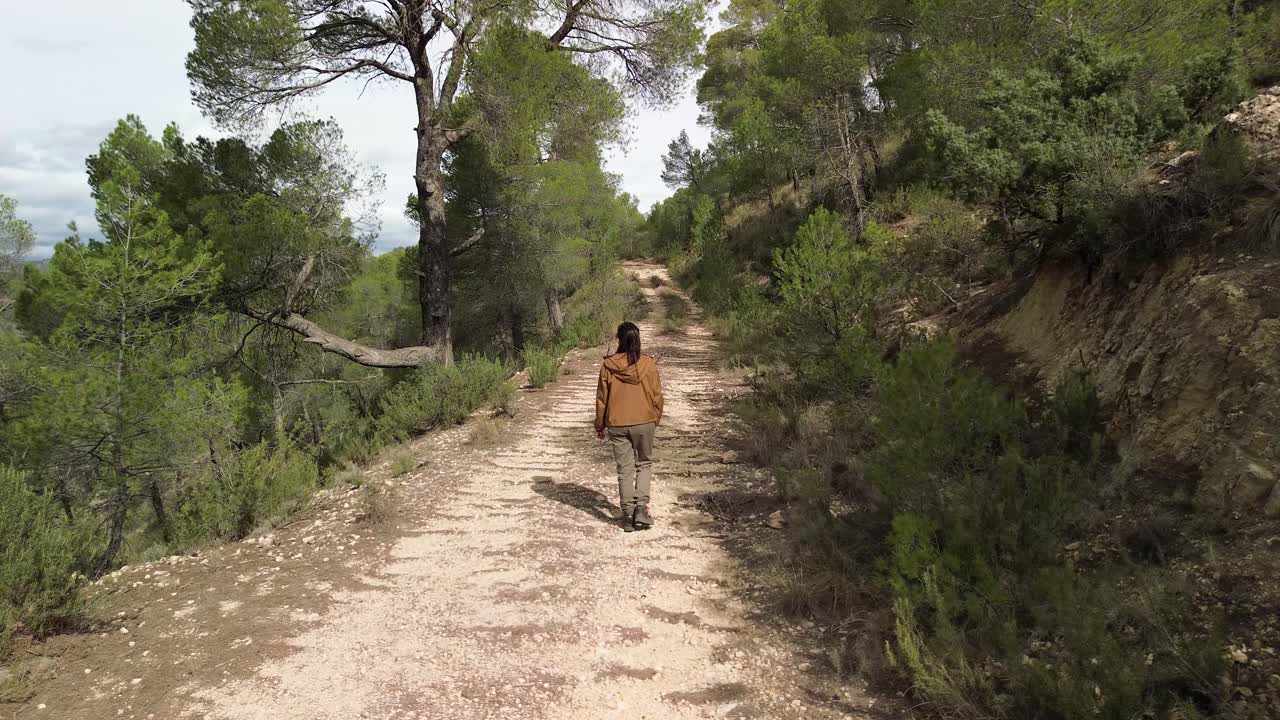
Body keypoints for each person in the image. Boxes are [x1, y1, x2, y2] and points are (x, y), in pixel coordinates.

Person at [594, 321, 664, 531]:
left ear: (619, 339)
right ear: (638, 339)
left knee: (624, 469)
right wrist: (655, 419)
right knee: (643, 464)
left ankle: (628, 515)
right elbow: (657, 396)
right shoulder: (649, 364)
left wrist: (600, 425)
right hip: (645, 421)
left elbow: (601, 399)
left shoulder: (609, 365)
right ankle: (641, 509)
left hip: (617, 423)